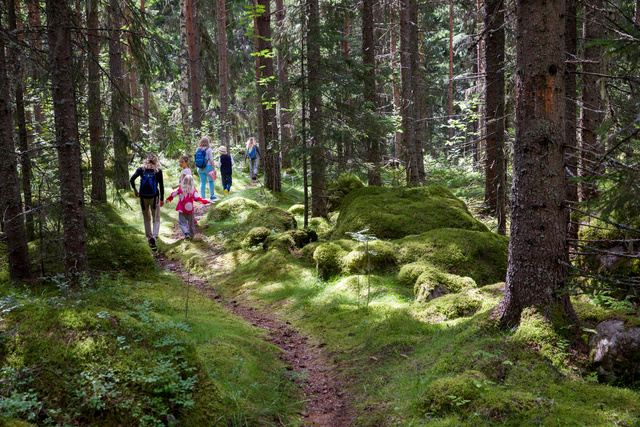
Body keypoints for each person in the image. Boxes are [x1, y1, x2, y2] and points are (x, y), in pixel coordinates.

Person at [130, 154, 164, 250]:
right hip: (154, 197)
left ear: (147, 160)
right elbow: (161, 186)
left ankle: (149, 238)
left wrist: (135, 191)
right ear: (156, 161)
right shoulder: (158, 171)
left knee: (146, 218)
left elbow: (131, 179)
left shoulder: (141, 169)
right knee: (156, 218)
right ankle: (154, 236)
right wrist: (161, 199)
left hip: (143, 197)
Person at [165, 174, 210, 239]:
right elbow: (197, 198)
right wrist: (205, 201)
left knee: (182, 223)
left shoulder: (180, 189)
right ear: (192, 182)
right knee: (191, 224)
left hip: (182, 209)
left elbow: (173, 194)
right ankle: (192, 236)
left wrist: (168, 199)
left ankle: (186, 233)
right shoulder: (193, 190)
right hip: (190, 210)